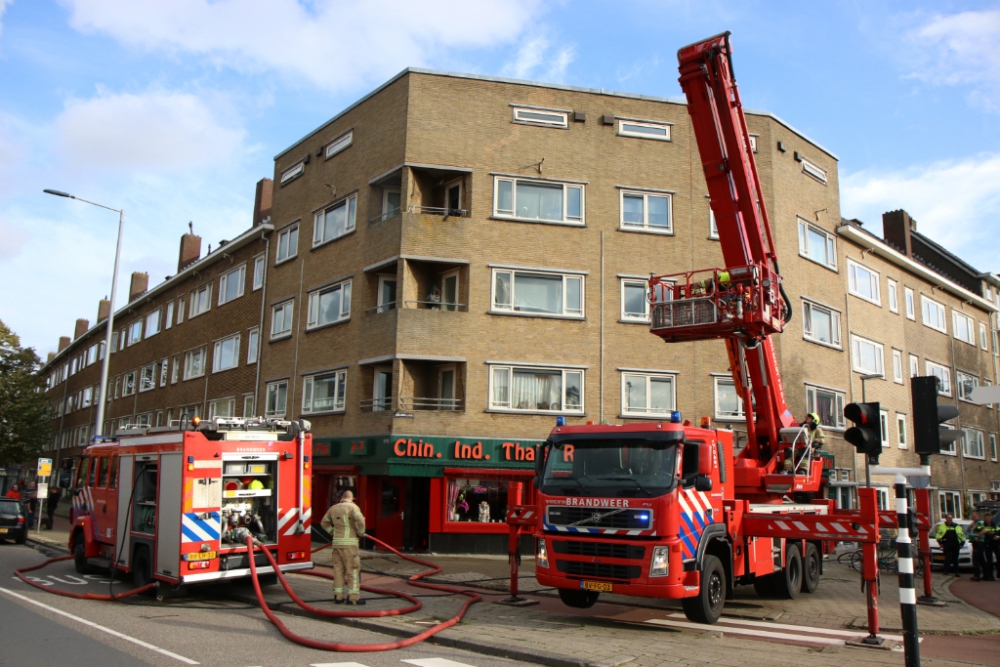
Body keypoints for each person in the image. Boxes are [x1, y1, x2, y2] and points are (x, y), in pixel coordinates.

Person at [320, 490, 366, 605]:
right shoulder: (353, 508)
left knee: (338, 571)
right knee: (353, 571)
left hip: (336, 544)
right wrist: (360, 533)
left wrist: (333, 532)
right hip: (350, 545)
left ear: (342, 497)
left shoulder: (333, 508)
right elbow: (361, 521)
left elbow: (323, 523)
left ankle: (338, 597)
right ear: (352, 498)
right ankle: (353, 598)